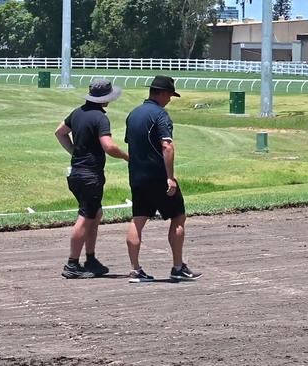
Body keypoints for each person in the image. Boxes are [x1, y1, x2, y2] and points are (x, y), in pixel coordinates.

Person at [124, 75, 202, 282]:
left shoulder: (133, 114)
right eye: (169, 95)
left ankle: (135, 269)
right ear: (162, 93)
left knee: (138, 219)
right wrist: (170, 177)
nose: (169, 99)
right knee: (178, 216)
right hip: (157, 175)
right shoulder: (160, 115)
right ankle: (177, 266)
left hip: (137, 175)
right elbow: (166, 145)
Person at [55, 79, 129, 279]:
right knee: (86, 216)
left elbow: (59, 132)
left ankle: (91, 258)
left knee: (95, 214)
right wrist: (127, 156)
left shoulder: (77, 113)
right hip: (90, 175)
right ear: (105, 98)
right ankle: (72, 264)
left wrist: (74, 151)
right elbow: (108, 146)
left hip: (77, 172)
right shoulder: (100, 118)